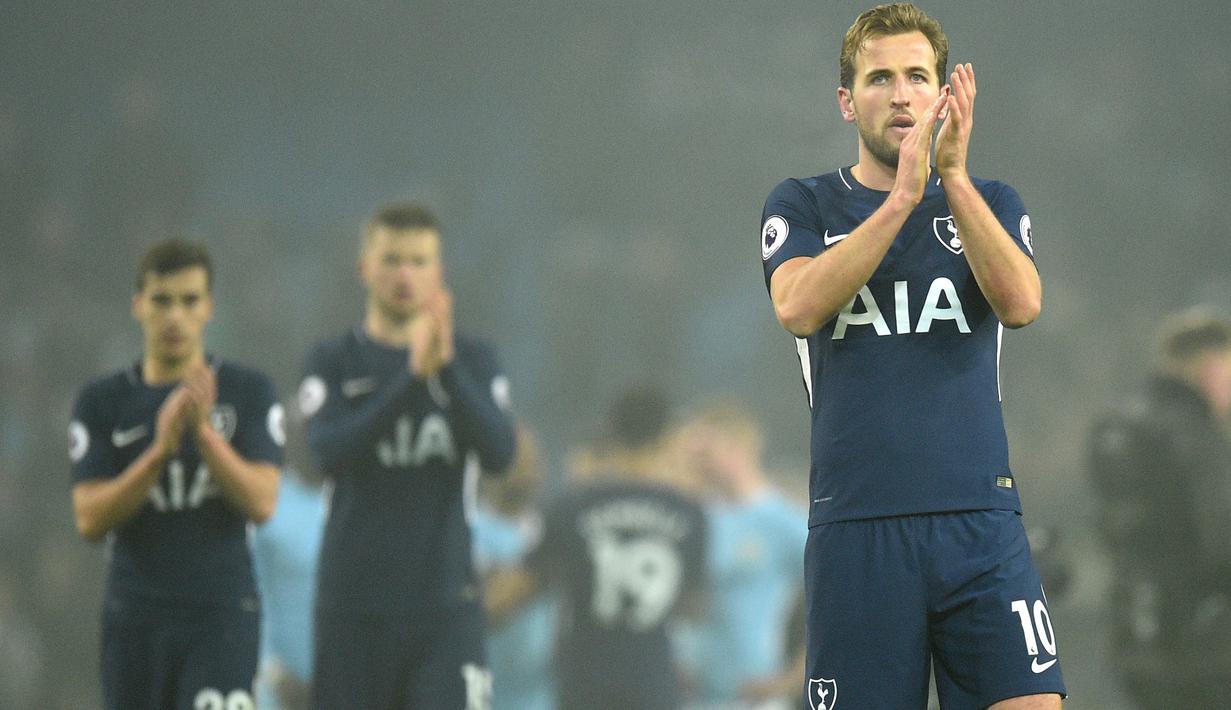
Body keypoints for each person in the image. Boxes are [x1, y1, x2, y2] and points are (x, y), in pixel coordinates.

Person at [759, 4, 1064, 708]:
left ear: (943, 94)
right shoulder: (803, 203)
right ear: (846, 100)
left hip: (979, 523)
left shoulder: (988, 199)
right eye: (879, 78)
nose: (900, 94)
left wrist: (948, 180)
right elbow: (796, 306)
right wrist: (899, 199)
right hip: (858, 530)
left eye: (917, 76)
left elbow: (1020, 304)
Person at [300, 202, 516, 710]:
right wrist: (411, 379)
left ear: (438, 273)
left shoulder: (474, 359)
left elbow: (501, 454)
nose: (405, 274)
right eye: (392, 259)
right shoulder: (333, 360)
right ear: (364, 269)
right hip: (353, 608)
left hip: (444, 605)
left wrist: (447, 375)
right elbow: (325, 453)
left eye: (419, 261)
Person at [68, 240, 283, 710]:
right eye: (162, 300)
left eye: (189, 301)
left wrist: (204, 437)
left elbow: (263, 502)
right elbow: (89, 518)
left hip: (220, 618)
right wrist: (160, 451)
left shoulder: (248, 392)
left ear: (208, 308)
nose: (174, 317)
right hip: (135, 620)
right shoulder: (102, 403)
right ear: (138, 305)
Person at [487, 386, 708, 710]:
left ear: (612, 434)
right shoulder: (690, 515)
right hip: (654, 685)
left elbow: (516, 591)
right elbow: (693, 606)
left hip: (586, 683)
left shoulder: (573, 505)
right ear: (666, 437)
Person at [1087, 309, 1231, 708]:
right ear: (1206, 365)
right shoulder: (1192, 429)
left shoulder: (1115, 425)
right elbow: (1219, 533)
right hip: (1200, 635)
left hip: (1133, 626)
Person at [675, 402, 807, 710]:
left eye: (704, 452)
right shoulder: (694, 521)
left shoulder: (783, 522)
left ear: (738, 448)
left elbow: (835, 602)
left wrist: (794, 678)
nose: (695, 463)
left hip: (757, 697)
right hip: (694, 696)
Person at [471, 427, 557, 710]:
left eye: (533, 458)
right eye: (518, 457)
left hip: (538, 695)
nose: (527, 467)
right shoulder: (463, 532)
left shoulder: (551, 534)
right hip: (476, 691)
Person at [251, 465, 328, 710]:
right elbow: (251, 588)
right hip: (280, 685)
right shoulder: (268, 496)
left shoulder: (359, 493)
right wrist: (269, 669)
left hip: (347, 680)